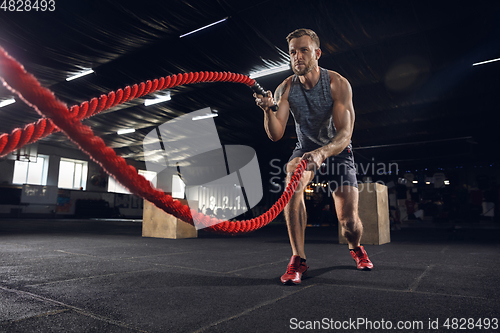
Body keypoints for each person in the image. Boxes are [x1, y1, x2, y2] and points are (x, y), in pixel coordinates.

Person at [254, 28, 373, 285]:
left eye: (304, 50)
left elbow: (345, 134)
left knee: (348, 221)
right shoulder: (284, 88)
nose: (297, 56)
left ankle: (356, 248)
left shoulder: (337, 83)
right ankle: (299, 258)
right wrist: (267, 111)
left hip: (337, 150)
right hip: (306, 148)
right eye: (293, 52)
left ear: (317, 53)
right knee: (291, 179)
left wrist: (323, 152)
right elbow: (275, 134)